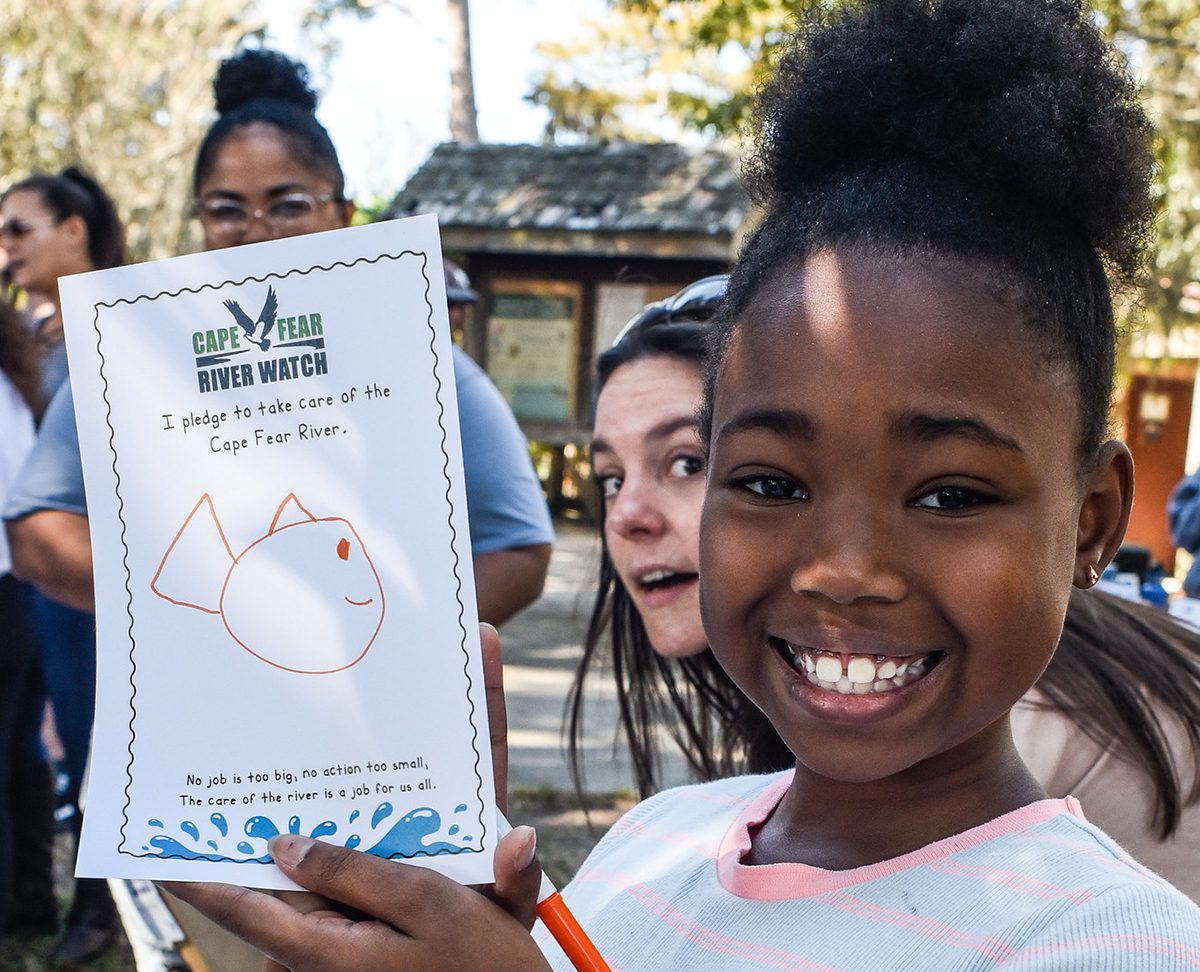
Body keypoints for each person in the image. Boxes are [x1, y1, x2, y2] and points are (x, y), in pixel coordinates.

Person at [166, 1, 1200, 967]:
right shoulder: (651, 844)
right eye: (770, 482)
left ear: (1093, 520)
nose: (843, 570)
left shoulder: (1112, 939)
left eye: (949, 496)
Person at [574, 275, 1200, 900]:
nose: (628, 515)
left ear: (1089, 518)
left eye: (686, 463)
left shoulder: (975, 731)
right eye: (609, 477)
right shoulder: (715, 815)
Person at [1, 167, 126, 965]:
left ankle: (107, 904)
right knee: (45, 746)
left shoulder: (133, 321)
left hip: (108, 584)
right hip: (40, 582)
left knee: (99, 742)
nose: (5, 247)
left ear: (73, 230)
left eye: (19, 228)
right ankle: (52, 898)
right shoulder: (40, 337)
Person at [0, 299, 51, 937]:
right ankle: (30, 906)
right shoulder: (12, 378)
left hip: (11, 590)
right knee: (17, 753)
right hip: (18, 592)